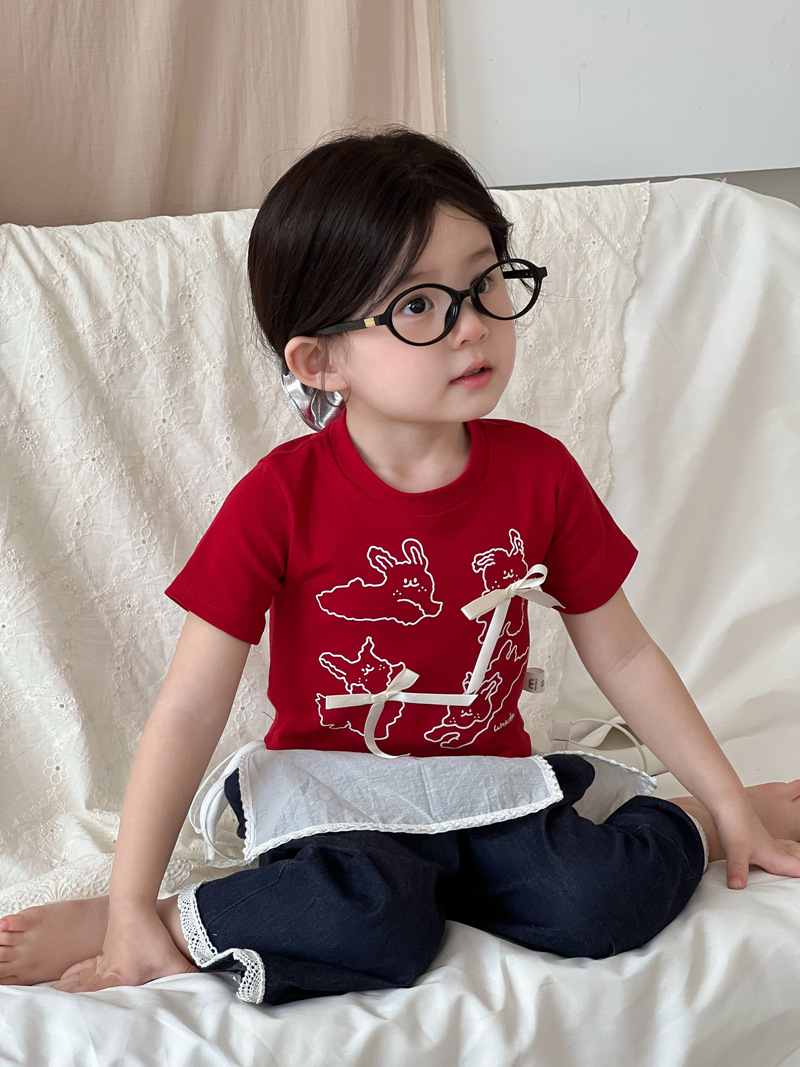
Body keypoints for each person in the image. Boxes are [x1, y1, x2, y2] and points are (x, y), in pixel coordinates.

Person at [2, 127, 800, 1006]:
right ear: (321, 360)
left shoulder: (540, 474)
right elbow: (189, 707)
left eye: (485, 281)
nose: (474, 324)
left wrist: (727, 797)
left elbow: (627, 654)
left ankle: (698, 824)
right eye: (419, 305)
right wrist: (127, 905)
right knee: (371, 919)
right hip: (340, 803)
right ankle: (157, 918)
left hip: (490, 792)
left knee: (596, 902)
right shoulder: (278, 499)